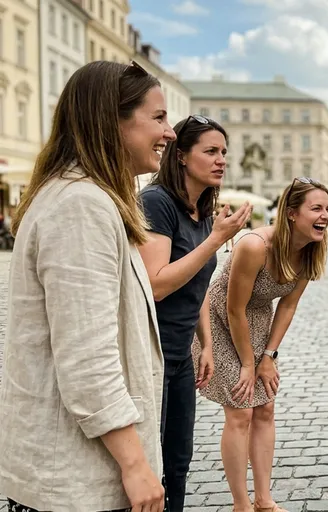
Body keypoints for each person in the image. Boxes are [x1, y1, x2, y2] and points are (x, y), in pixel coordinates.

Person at [0, 60, 175, 511]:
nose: (169, 132)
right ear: (110, 121)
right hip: (80, 482)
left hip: (78, 474)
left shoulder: (80, 197)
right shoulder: (81, 205)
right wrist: (136, 466)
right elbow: (87, 361)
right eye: (157, 118)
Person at [193, 177, 328, 512]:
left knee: (265, 408)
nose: (325, 215)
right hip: (220, 323)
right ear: (291, 214)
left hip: (257, 324)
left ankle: (264, 500)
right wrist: (247, 364)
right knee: (241, 412)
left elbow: (288, 305)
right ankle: (241, 505)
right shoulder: (255, 246)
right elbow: (232, 308)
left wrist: (268, 356)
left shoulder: (312, 247)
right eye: (316, 208)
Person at [138, 114, 252, 512]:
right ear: (182, 155)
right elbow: (156, 283)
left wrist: (204, 343)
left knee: (179, 460)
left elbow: (197, 285)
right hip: (149, 354)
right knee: (150, 461)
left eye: (224, 152)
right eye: (211, 151)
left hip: (181, 353)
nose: (221, 159)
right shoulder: (157, 202)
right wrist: (218, 239)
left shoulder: (202, 208)